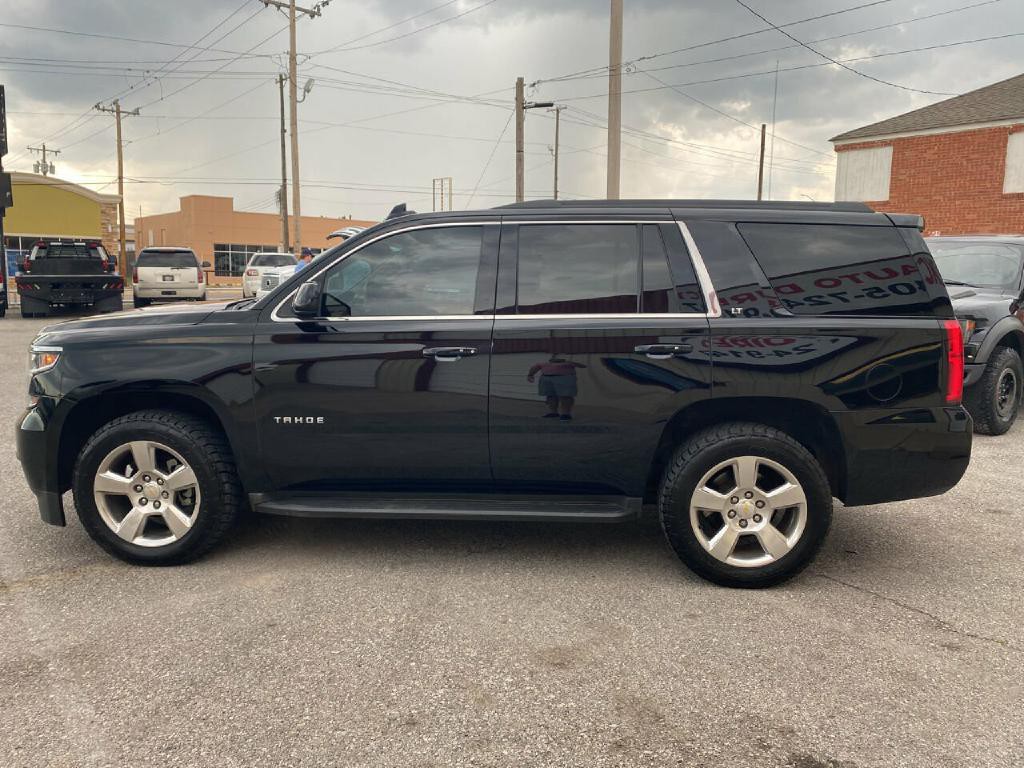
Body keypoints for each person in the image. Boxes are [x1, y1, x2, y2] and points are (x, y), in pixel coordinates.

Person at [527, 354, 587, 421]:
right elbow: (534, 368)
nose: (556, 359)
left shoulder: (568, 363)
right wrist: (530, 375)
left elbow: (583, 366)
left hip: (565, 378)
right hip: (546, 378)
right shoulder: (543, 363)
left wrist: (570, 362)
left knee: (566, 396)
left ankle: (566, 414)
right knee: (550, 396)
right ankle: (553, 412)